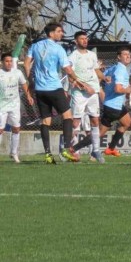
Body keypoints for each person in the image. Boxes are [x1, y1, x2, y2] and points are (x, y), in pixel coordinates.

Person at [24, 22, 88, 164]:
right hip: (54, 88)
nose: (62, 34)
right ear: (51, 33)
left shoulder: (35, 46)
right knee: (68, 116)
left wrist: (30, 79)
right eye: (59, 31)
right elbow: (67, 69)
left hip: (40, 90)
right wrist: (76, 79)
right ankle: (65, 149)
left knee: (46, 121)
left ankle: (48, 154)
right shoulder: (58, 49)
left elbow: (27, 63)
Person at [67, 31, 105, 160]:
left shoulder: (92, 55)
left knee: (95, 120)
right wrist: (83, 86)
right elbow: (69, 74)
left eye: (86, 38)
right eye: (82, 39)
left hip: (93, 92)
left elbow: (96, 70)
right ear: (76, 41)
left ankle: (95, 150)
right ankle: (72, 150)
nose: (85, 41)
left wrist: (105, 78)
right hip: (80, 93)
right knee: (76, 122)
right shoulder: (73, 56)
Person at [0, 52, 33, 163]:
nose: (9, 63)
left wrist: (28, 96)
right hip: (1, 105)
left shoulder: (17, 72)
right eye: (6, 61)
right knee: (0, 130)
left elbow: (24, 84)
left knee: (16, 128)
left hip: (14, 104)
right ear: (2, 62)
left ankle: (14, 153)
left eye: (10, 61)